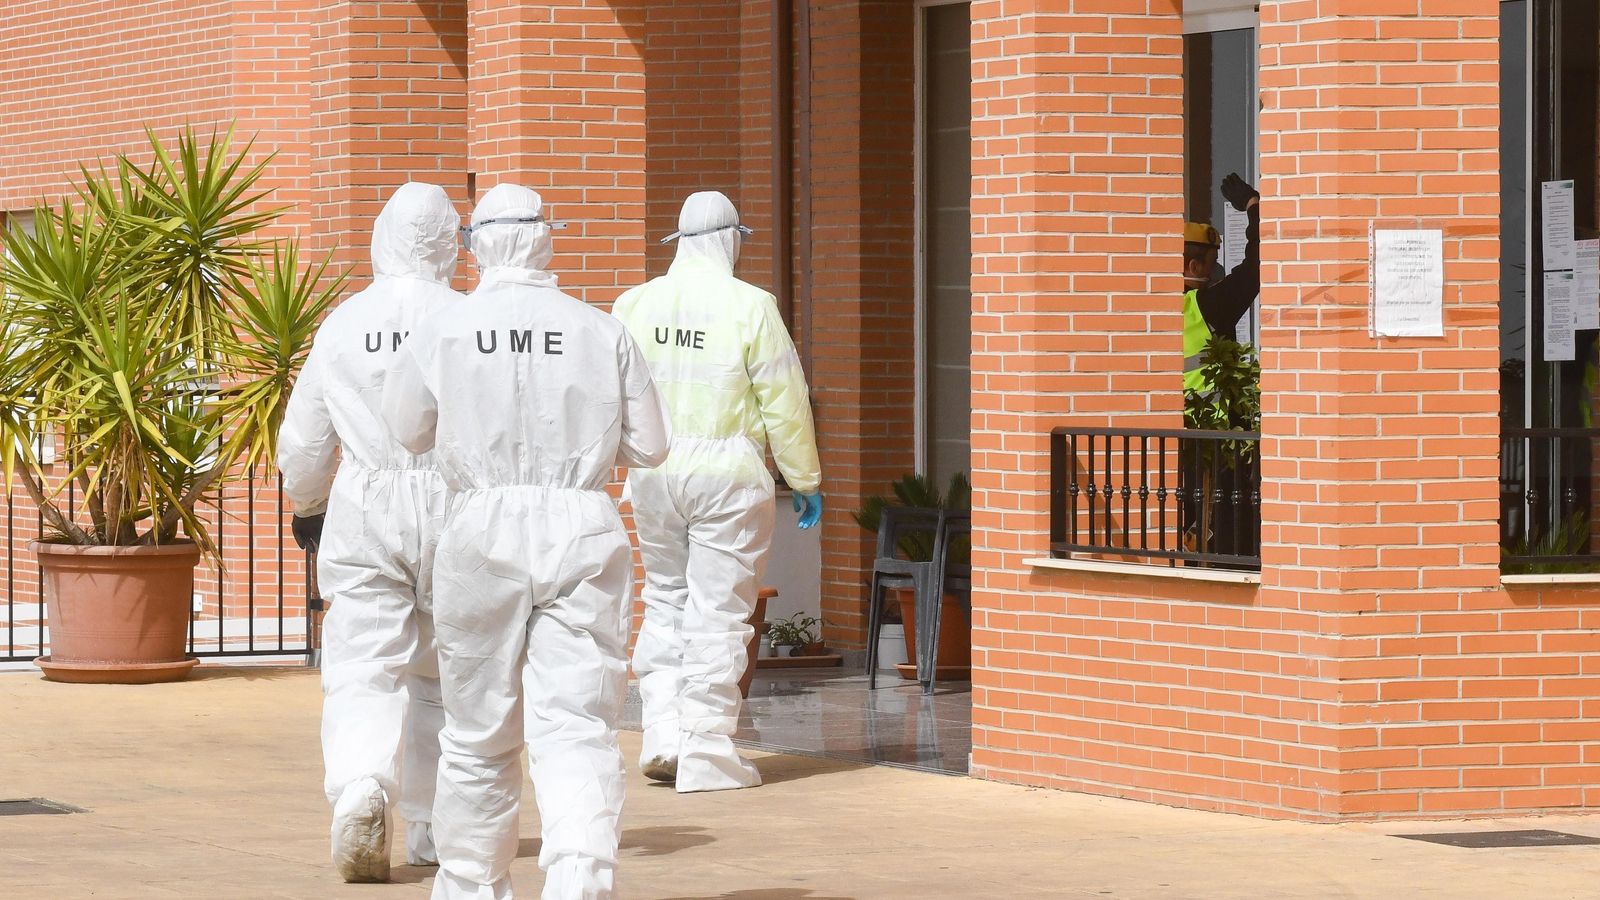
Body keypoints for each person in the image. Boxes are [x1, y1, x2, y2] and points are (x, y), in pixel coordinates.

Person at [381, 183, 671, 900]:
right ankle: (579, 875)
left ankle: (472, 882)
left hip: (479, 528)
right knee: (577, 720)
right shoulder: (601, 330)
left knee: (478, 727)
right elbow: (654, 444)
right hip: (581, 525)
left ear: (478, 242)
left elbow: (406, 428)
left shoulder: (444, 329)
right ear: (546, 237)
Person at [277, 181, 463, 882]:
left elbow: (303, 441)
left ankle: (361, 787)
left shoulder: (344, 324)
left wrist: (309, 506)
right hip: (453, 506)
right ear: (452, 242)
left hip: (365, 502)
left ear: (382, 234)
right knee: (443, 676)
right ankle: (434, 825)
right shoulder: (469, 319)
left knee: (362, 666)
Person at [611, 190, 823, 793]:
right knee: (720, 611)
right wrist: (804, 478)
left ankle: (662, 733)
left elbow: (612, 395)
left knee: (668, 601)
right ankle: (705, 750)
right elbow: (785, 400)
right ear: (733, 237)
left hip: (653, 474)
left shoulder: (634, 304)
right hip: (728, 475)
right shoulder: (751, 306)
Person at [1183, 172, 1261, 392]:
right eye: (1212, 263)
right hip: (1212, 422)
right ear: (1194, 267)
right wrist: (1252, 205)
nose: (1216, 271)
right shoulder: (1204, 306)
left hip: (1171, 422)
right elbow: (1256, 265)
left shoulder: (1150, 308)